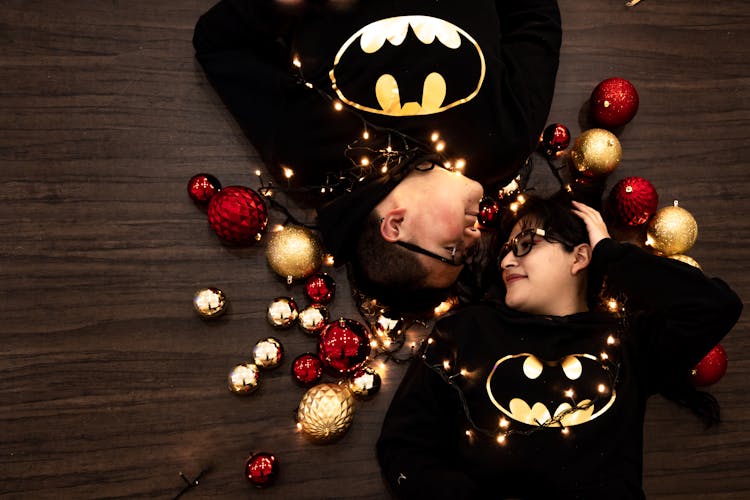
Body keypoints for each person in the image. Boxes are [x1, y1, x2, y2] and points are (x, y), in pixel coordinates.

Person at [192, 0, 562, 307]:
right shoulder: (503, 149)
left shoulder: (309, 155)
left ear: (394, 226)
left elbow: (220, 44)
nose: (475, 235)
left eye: (453, 249)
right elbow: (534, 19)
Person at [376, 195, 742, 498]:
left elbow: (714, 306)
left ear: (580, 257)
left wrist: (610, 253)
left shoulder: (626, 342)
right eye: (504, 250)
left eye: (524, 244)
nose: (506, 260)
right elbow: (403, 447)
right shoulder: (464, 332)